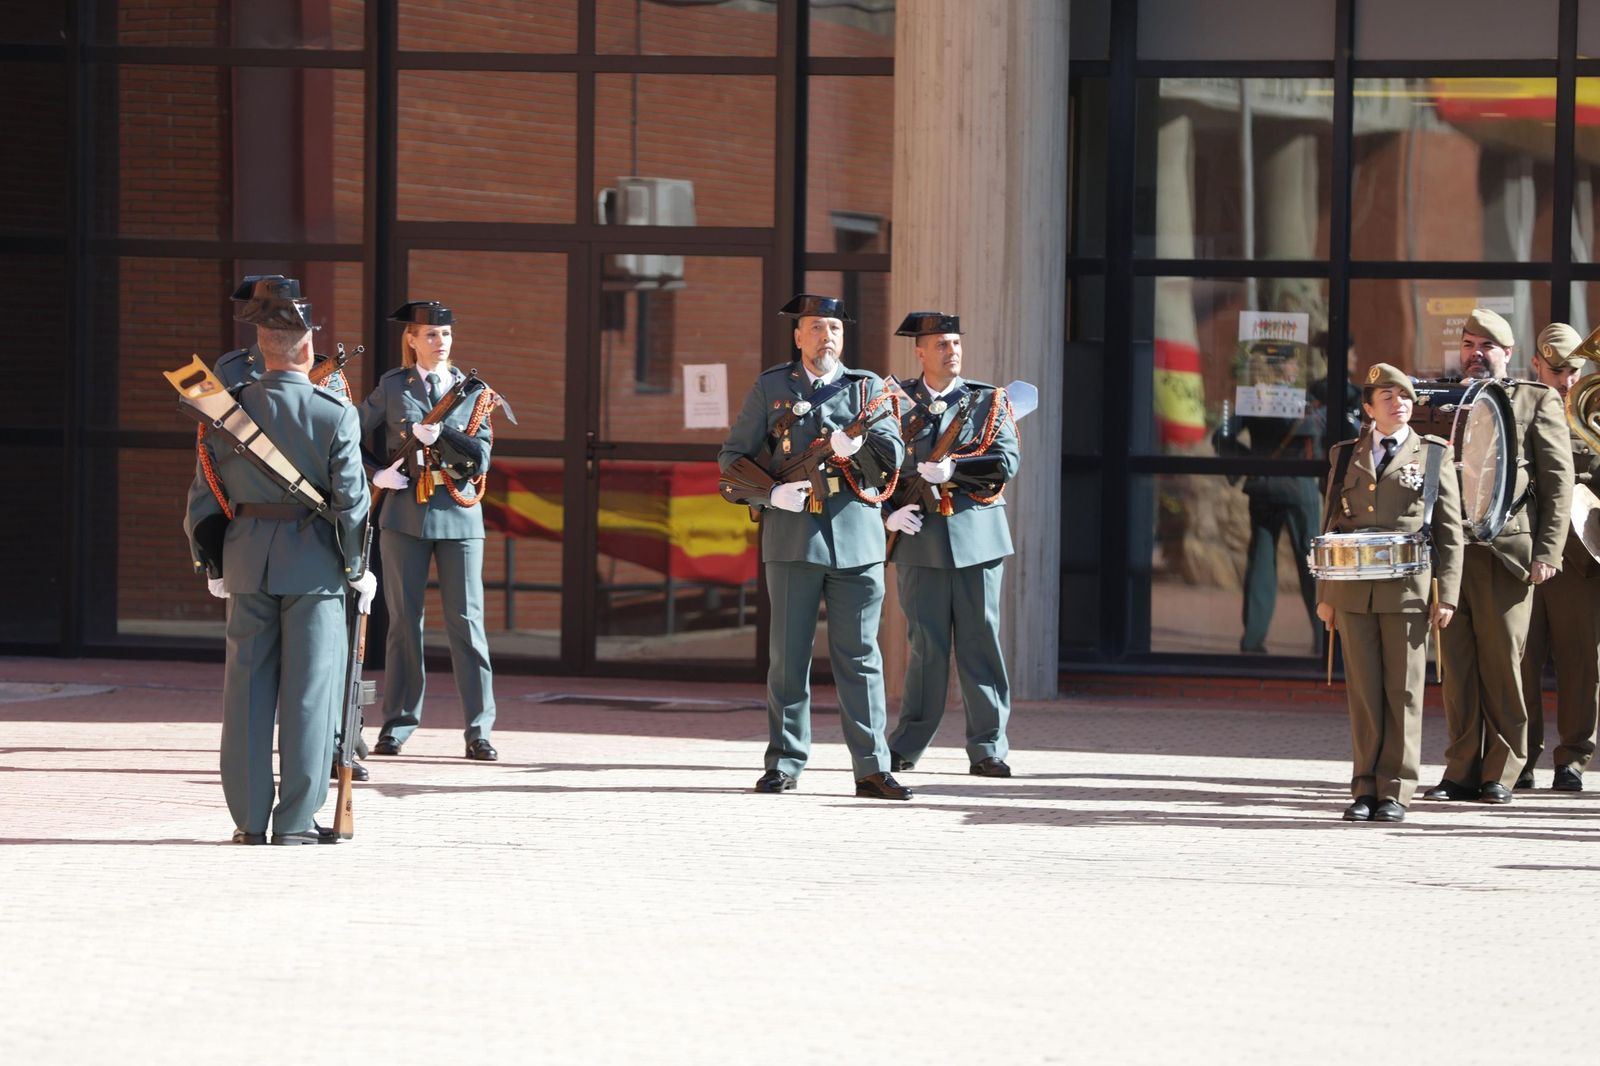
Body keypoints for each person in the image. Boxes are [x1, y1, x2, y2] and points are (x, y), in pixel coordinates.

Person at [184, 278, 375, 844]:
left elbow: (204, 492)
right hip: (316, 567)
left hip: (246, 562)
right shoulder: (334, 411)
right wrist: (358, 566)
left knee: (245, 693)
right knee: (310, 692)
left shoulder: (227, 410)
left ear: (261, 349)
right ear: (309, 350)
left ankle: (248, 821)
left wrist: (212, 563)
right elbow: (351, 500)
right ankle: (295, 820)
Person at [718, 293, 910, 799]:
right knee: (788, 656)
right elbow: (733, 456)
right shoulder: (772, 387)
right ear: (798, 336)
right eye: (818, 328)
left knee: (861, 657)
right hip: (792, 538)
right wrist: (771, 493)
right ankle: (784, 762)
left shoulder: (867, 388)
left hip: (857, 540)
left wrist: (860, 446)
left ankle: (871, 766)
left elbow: (894, 458)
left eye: (836, 329)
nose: (828, 337)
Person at [1424, 307, 1573, 805]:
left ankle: (1504, 769)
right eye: (1468, 345)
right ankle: (1461, 769)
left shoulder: (1535, 400)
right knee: (1457, 667)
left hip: (1508, 554)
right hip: (1453, 556)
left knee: (1503, 663)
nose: (1475, 355)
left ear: (1507, 354)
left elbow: (1558, 482)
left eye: (1486, 347)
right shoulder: (1444, 400)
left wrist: (1548, 550)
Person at [1315, 364, 1462, 822]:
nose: (1398, 403)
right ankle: (1364, 788)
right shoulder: (1346, 454)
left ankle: (1396, 789)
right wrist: (1325, 593)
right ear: (1368, 407)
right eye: (1387, 396)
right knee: (1364, 693)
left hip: (1408, 594)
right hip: (1354, 594)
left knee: (1403, 692)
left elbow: (1449, 531)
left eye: (1404, 395)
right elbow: (1331, 527)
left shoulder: (1433, 454)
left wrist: (1449, 594)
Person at [880, 311, 1021, 777]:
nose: (952, 351)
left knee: (981, 643)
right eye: (941, 344)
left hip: (977, 537)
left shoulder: (988, 401)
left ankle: (988, 747)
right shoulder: (895, 402)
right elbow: (874, 467)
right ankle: (907, 743)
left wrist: (955, 471)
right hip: (919, 538)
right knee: (926, 647)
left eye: (956, 343)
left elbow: (1006, 462)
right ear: (920, 352)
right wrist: (887, 513)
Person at [359, 301, 500, 761]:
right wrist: (374, 473)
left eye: (447, 335)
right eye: (432, 335)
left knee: (466, 623)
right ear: (412, 340)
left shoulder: (470, 390)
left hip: (459, 514)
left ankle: (479, 729)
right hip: (403, 513)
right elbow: (348, 433)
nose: (442, 343)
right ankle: (398, 724)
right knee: (403, 623)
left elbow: (481, 457)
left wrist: (441, 436)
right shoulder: (393, 385)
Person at [1517, 322, 1600, 792]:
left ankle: (1572, 759)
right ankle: (1521, 758)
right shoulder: (1517, 407)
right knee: (1522, 660)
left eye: (1574, 369)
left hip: (1581, 558)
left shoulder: (1594, 409)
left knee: (1582, 663)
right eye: (1556, 369)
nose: (1567, 378)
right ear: (1536, 364)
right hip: (1526, 551)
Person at [1213, 340, 1323, 654]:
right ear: (1285, 366)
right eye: (1293, 363)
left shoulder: (1252, 399)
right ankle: (1323, 638)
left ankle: (1252, 640)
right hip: (1298, 486)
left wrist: (1249, 462)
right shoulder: (1299, 400)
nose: (1296, 368)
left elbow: (1220, 434)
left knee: (1261, 561)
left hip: (1262, 485)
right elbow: (1314, 434)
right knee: (1311, 564)